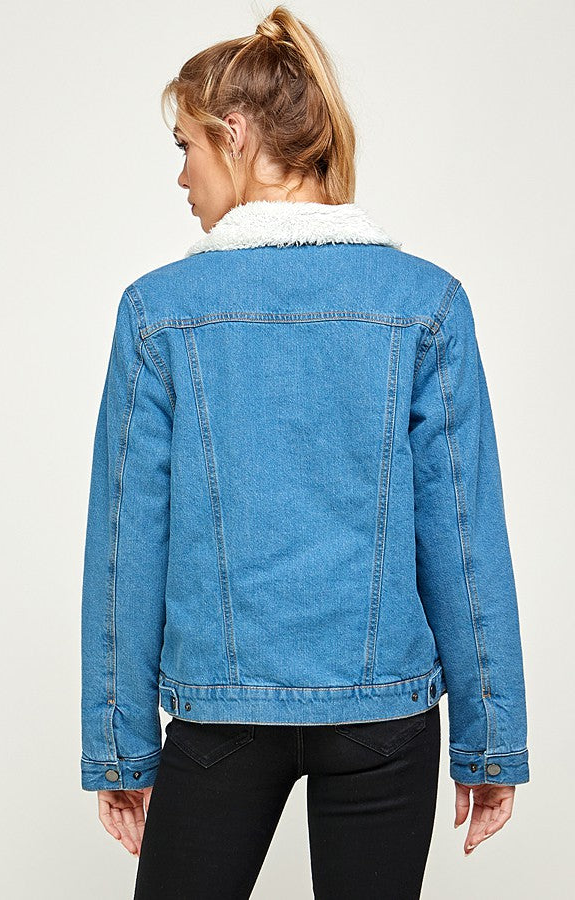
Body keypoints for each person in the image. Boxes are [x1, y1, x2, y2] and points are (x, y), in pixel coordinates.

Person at [79, 6, 530, 898]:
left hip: (220, 713)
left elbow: (126, 546)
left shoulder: (159, 313)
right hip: (386, 714)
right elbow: (465, 536)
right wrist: (490, 739)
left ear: (235, 134)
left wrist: (120, 747)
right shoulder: (425, 302)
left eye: (186, 145)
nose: (181, 175)